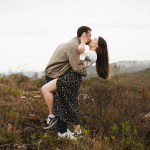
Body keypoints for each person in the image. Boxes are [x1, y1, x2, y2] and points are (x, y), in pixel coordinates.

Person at [42, 27, 110, 140]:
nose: (91, 39)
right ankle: (76, 133)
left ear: (98, 46)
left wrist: (82, 42)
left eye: (94, 39)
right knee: (70, 105)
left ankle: (53, 118)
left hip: (72, 77)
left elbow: (79, 54)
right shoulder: (91, 53)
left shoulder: (92, 54)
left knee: (51, 93)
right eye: (91, 37)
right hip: (72, 78)